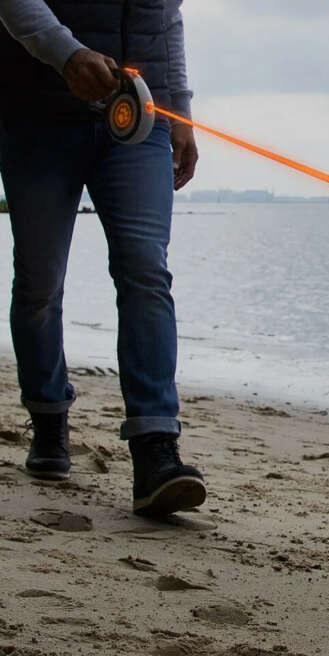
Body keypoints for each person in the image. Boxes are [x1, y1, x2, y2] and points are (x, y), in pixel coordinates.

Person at [0, 0, 205, 517]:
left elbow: (166, 16)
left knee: (145, 270)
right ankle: (47, 415)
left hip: (141, 117)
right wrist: (67, 55)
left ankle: (155, 447)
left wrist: (180, 108)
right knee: (39, 283)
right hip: (37, 114)